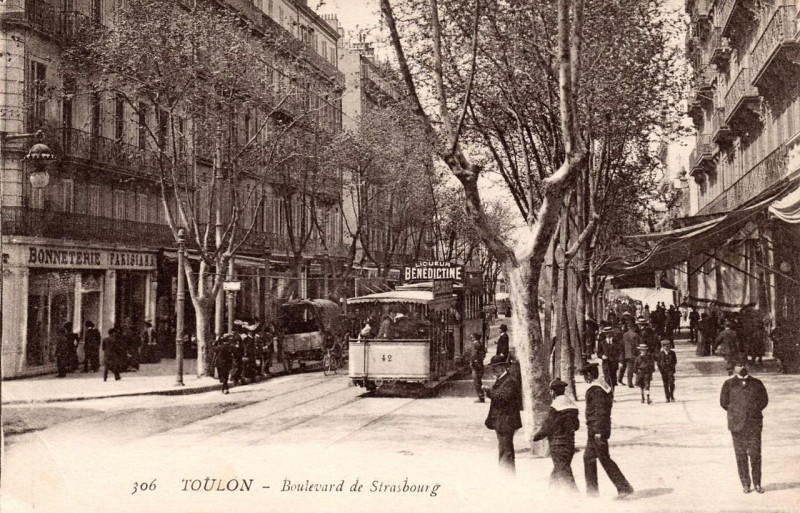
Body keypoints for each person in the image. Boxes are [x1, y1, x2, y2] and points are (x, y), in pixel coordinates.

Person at [580, 362, 634, 498]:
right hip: (595, 429)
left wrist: (598, 432)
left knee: (604, 459)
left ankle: (624, 488)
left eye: (585, 376)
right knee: (588, 457)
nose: (584, 379)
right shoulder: (602, 386)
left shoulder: (596, 390)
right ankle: (592, 492)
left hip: (597, 430)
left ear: (589, 375)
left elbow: (600, 413)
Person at [720, 361, 769, 494]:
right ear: (735, 368)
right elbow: (724, 403)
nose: (742, 367)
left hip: (754, 425)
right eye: (738, 365)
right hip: (737, 426)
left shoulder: (757, 383)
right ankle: (746, 484)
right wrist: (737, 413)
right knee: (740, 455)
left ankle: (757, 483)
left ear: (748, 367)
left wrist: (753, 411)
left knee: (755, 454)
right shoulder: (728, 384)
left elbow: (764, 401)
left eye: (744, 364)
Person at [533, 378, 579, 491]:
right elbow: (576, 426)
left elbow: (548, 427)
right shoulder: (572, 406)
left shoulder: (555, 407)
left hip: (558, 444)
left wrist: (536, 437)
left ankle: (575, 497)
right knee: (558, 470)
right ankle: (551, 494)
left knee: (564, 473)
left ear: (552, 392)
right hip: (570, 444)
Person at [483, 355, 522, 473]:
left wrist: (488, 392)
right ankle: (505, 474)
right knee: (504, 449)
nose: (493, 370)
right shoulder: (502, 380)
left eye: (494, 368)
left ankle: (507, 476)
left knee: (506, 451)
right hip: (501, 422)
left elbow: (503, 398)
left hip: (506, 422)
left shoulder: (510, 381)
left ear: (501, 367)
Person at [596, 326, 619, 391]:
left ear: (612, 333)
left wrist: (618, 360)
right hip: (606, 364)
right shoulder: (601, 343)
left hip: (614, 363)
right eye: (607, 333)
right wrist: (602, 356)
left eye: (609, 333)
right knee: (607, 379)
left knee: (613, 379)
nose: (608, 334)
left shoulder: (616, 342)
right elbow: (598, 353)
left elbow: (620, 351)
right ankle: (607, 393)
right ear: (605, 334)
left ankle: (612, 393)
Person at [619, 321, 640, 388]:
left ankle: (629, 382)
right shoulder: (636, 335)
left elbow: (622, 345)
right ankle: (637, 382)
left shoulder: (624, 335)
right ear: (633, 327)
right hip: (634, 354)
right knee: (636, 368)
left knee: (629, 369)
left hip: (627, 354)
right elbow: (637, 345)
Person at [470, 333, 486, 403]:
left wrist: (473, 362)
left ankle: (481, 397)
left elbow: (474, 355)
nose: (471, 338)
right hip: (479, 365)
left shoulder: (476, 344)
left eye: (472, 337)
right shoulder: (480, 344)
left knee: (476, 382)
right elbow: (483, 355)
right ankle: (481, 396)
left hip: (476, 366)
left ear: (475, 338)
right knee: (478, 381)